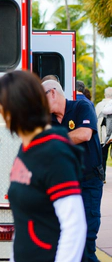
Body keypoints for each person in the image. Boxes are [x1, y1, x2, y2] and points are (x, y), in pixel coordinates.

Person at [0, 71, 86, 262]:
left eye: (1, 107)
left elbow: (74, 226)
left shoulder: (54, 152)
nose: (0, 114)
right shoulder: (26, 148)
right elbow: (24, 221)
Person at [42, 79, 104, 262]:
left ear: (52, 93)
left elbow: (84, 133)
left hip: (88, 184)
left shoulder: (82, 106)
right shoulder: (48, 120)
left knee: (85, 244)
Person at [96, 87, 112, 179]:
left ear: (105, 95)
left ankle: (103, 176)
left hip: (103, 135)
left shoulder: (99, 105)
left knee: (103, 156)